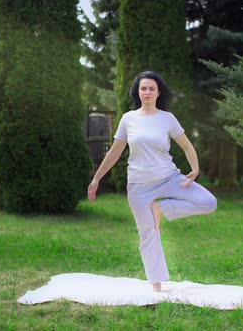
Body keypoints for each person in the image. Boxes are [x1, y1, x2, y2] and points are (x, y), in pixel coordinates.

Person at [87, 71, 217, 292]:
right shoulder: (128, 118)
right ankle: (157, 285)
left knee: (208, 202)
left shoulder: (167, 118)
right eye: (143, 88)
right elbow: (114, 152)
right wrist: (96, 178)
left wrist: (195, 168)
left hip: (169, 178)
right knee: (148, 233)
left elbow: (186, 145)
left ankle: (161, 208)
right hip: (139, 185)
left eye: (151, 88)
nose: (147, 92)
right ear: (138, 92)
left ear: (158, 93)